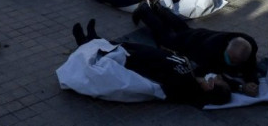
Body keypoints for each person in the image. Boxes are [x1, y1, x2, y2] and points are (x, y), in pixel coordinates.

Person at [69, 19, 232, 107]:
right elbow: (213, 69)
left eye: (219, 81)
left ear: (211, 87)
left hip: (140, 62)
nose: (218, 77)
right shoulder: (196, 79)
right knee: (116, 44)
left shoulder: (187, 89)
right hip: (153, 54)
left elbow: (158, 83)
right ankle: (93, 38)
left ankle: (84, 41)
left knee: (112, 50)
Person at [132, 1, 260, 97]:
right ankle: (145, 11)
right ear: (227, 47)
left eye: (235, 61)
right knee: (166, 38)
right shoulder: (211, 52)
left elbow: (250, 66)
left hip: (202, 34)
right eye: (229, 58)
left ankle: (160, 9)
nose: (230, 63)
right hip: (192, 44)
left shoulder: (248, 45)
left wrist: (252, 82)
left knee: (184, 30)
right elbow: (215, 77)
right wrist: (241, 86)